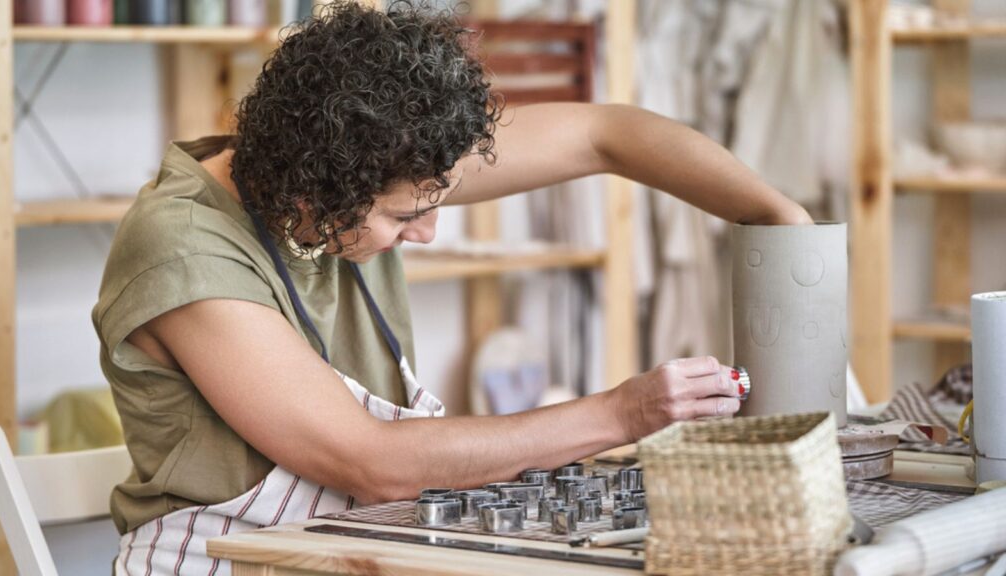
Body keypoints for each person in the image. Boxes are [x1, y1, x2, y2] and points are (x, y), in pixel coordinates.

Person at [93, 1, 812, 573]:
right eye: (407, 216)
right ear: (314, 191)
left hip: (349, 546)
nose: (428, 234)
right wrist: (627, 412)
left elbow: (606, 135)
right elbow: (368, 462)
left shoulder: (379, 157)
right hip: (223, 564)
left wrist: (777, 216)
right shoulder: (183, 248)